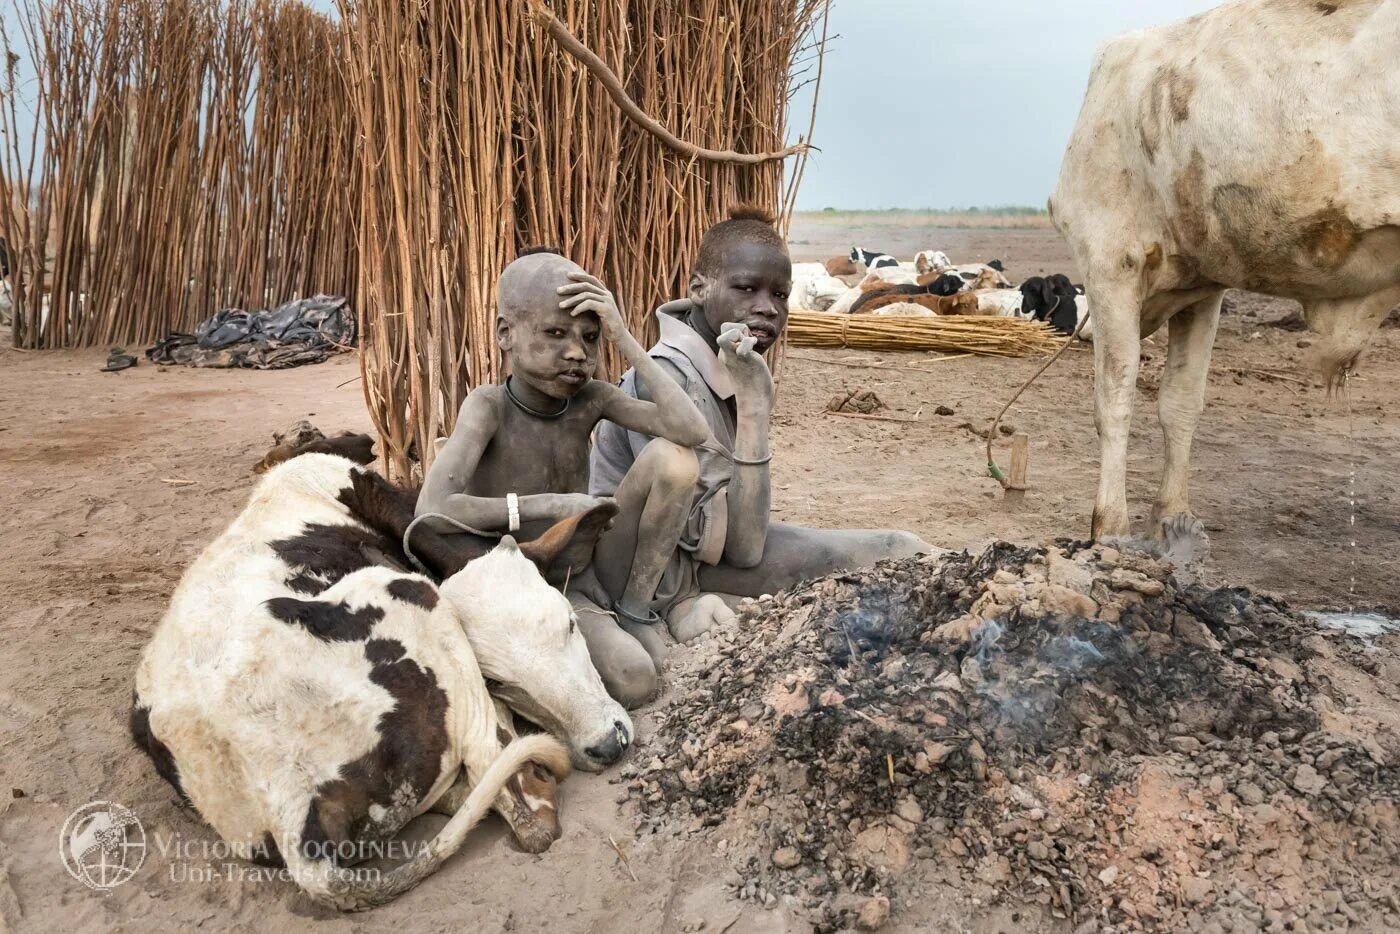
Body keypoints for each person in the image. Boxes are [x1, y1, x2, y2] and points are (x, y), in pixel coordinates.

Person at [591, 205, 934, 642]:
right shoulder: (665, 378)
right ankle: (673, 617)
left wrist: (751, 395)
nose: (767, 308)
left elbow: (741, 538)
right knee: (874, 566)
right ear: (699, 288)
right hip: (646, 577)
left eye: (780, 295)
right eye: (746, 288)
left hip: (704, 559)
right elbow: (745, 547)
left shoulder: (729, 363)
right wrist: (754, 408)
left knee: (898, 550)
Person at [417, 250, 710, 707]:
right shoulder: (489, 406)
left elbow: (693, 432)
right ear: (505, 334)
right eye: (555, 333)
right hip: (519, 578)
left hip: (583, 573)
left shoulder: (590, 398)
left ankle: (633, 608)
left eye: (590, 338)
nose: (577, 352)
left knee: (677, 460)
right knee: (635, 679)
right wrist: (550, 505)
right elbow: (433, 508)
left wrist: (626, 339)